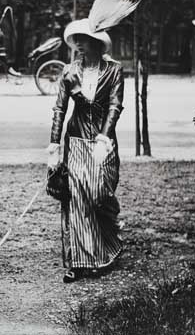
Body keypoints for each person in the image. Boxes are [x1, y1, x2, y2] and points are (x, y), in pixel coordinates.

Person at [47, 18, 124, 283]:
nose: (78, 44)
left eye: (83, 38)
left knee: (99, 192)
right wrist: (54, 145)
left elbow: (115, 106)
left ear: (96, 41)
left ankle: (111, 239)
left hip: (104, 142)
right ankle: (81, 263)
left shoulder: (114, 70)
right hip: (77, 140)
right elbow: (60, 109)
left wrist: (104, 138)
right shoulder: (69, 71)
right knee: (79, 198)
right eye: (75, 39)